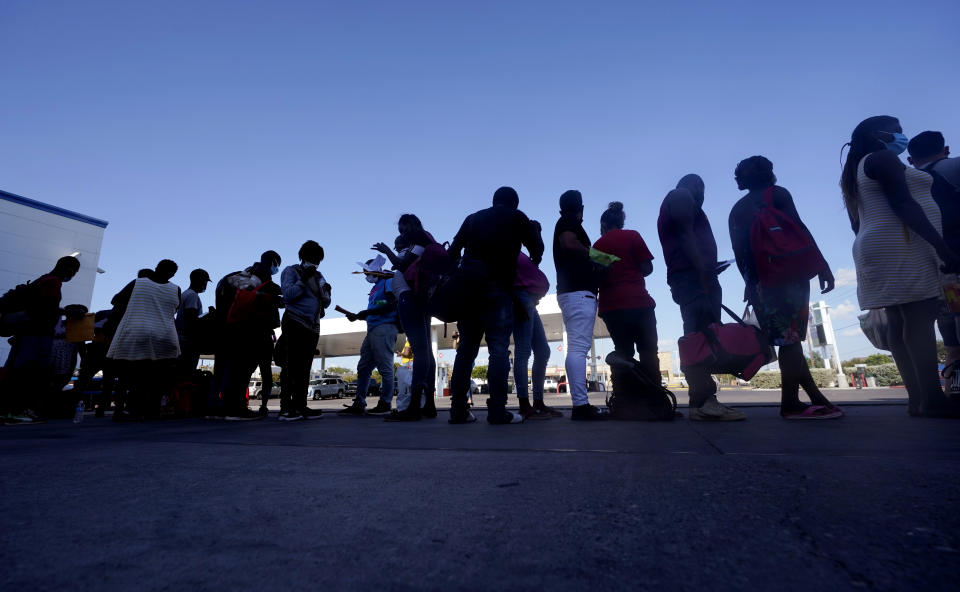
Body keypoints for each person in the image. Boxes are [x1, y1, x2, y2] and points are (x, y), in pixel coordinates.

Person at [841, 117, 960, 417]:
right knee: (919, 320)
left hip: (876, 244)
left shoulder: (857, 166)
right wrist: (941, 246)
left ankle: (918, 399)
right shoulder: (882, 158)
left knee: (899, 323)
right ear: (877, 135)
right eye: (895, 129)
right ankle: (932, 400)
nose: (900, 133)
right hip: (901, 242)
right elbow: (904, 204)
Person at [729, 156, 840, 420]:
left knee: (789, 342)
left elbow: (740, 252)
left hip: (761, 282)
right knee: (791, 342)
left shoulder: (737, 209)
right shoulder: (777, 194)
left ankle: (815, 397)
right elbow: (799, 229)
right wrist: (822, 266)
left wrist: (750, 284)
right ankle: (790, 403)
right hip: (789, 277)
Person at [447, 186, 544, 424]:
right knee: (498, 350)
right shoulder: (516, 217)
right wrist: (535, 232)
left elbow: (452, 253)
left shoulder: (472, 218)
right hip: (498, 290)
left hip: (469, 291)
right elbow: (537, 251)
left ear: (493, 201)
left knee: (466, 349)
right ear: (514, 203)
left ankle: (458, 410)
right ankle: (497, 411)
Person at [658, 175, 745, 420]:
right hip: (694, 278)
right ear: (696, 186)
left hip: (695, 275)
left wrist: (707, 267)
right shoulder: (682, 196)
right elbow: (686, 235)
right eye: (703, 189)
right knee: (701, 337)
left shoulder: (680, 200)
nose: (704, 195)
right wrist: (703, 271)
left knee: (703, 334)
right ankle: (703, 402)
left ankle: (705, 400)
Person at [592, 202, 663, 405]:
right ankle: (657, 402)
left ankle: (624, 401)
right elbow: (647, 268)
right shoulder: (633, 236)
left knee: (622, 352)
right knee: (648, 351)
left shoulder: (597, 245)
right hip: (639, 302)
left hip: (613, 306)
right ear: (621, 222)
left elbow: (596, 277)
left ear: (603, 224)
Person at [907, 131, 960, 395]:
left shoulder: (907, 181)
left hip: (935, 268)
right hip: (957, 256)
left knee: (951, 332)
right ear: (946, 149)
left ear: (909, 159)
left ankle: (953, 389)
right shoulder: (953, 166)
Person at [1, 255, 81, 424]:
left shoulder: (42, 280)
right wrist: (69, 313)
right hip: (37, 334)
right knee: (29, 373)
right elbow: (46, 309)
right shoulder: (53, 282)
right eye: (73, 271)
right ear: (68, 268)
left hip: (27, 332)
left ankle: (8, 411)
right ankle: (18, 411)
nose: (72, 276)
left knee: (17, 371)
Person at [375, 220, 439, 422]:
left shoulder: (418, 243)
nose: (401, 234)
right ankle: (428, 404)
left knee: (421, 351)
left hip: (409, 298)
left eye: (403, 230)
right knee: (425, 351)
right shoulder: (423, 244)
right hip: (416, 298)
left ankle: (413, 407)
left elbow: (402, 265)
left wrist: (387, 251)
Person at [553, 190, 607, 420]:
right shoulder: (568, 222)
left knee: (577, 347)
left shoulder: (563, 220)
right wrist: (598, 256)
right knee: (578, 348)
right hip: (578, 294)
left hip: (572, 294)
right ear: (581, 209)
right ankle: (581, 406)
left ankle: (581, 404)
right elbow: (568, 243)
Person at [107, 260, 182, 420]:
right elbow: (175, 309)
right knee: (156, 377)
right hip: (165, 336)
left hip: (137, 331)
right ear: (174, 274)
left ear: (156, 269)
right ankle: (151, 410)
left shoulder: (138, 283)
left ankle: (121, 411)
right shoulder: (176, 289)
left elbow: (116, 301)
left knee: (126, 375)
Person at [339, 257, 400, 416]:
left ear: (375, 272)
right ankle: (359, 402)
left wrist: (367, 313)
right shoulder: (375, 288)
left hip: (384, 328)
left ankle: (385, 403)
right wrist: (361, 315)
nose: (366, 276)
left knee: (385, 368)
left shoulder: (387, 283)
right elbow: (379, 306)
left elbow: (392, 304)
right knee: (363, 367)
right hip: (373, 329)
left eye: (367, 273)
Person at [278, 241, 330, 421]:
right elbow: (288, 295)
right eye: (312, 258)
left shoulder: (319, 275)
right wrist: (303, 280)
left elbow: (326, 301)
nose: (315, 263)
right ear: (303, 256)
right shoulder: (291, 271)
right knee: (290, 366)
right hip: (295, 321)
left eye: (318, 260)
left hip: (313, 326)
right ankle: (285, 408)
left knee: (305, 368)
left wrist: (327, 293)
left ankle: (300, 406)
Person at [513, 246, 561, 419]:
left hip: (529, 301)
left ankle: (538, 402)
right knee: (523, 351)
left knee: (542, 351)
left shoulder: (519, 251)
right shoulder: (506, 248)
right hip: (521, 298)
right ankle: (524, 404)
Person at [175, 268, 211, 378]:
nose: (205, 285)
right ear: (199, 280)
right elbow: (192, 320)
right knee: (199, 373)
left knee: (183, 373)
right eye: (205, 281)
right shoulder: (192, 295)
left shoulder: (185, 294)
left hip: (182, 340)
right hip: (188, 342)